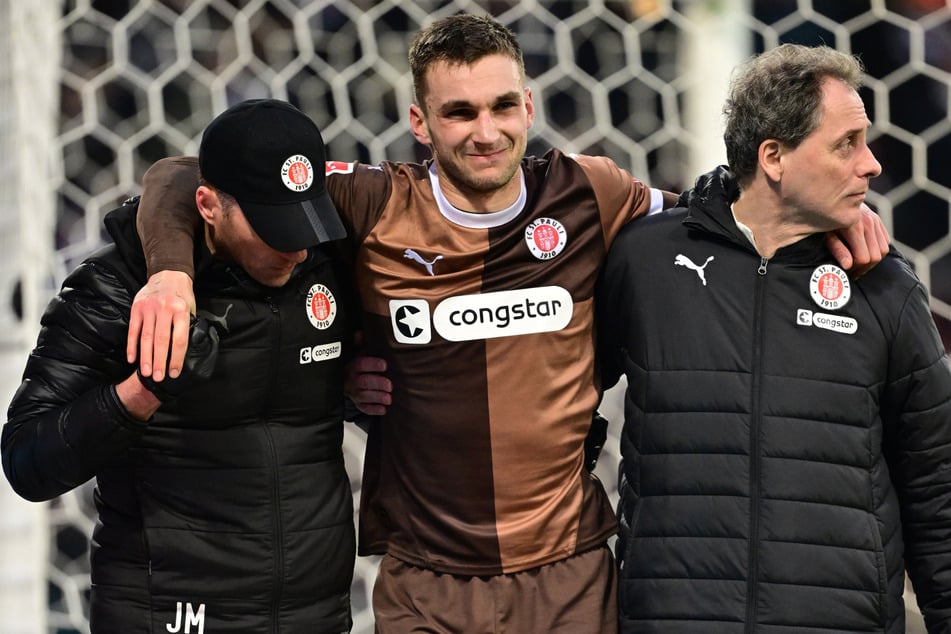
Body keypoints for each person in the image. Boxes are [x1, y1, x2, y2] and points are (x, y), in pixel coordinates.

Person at [125, 16, 890, 633]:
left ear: (527, 106)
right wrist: (169, 273)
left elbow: (718, 214)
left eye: (500, 107)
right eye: (458, 112)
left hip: (567, 574)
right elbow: (179, 175)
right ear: (420, 122)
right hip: (426, 583)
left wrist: (827, 218)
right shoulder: (370, 202)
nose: (483, 131)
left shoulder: (589, 191)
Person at [597, 43, 951, 633]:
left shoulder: (886, 287)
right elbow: (558, 397)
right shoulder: (648, 261)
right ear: (773, 157)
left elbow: (938, 490)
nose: (872, 164)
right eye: (847, 144)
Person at [3, 99, 359, 633]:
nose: (296, 250)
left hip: (314, 615)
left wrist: (360, 384)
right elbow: (27, 462)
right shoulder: (116, 290)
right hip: (167, 614)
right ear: (209, 206)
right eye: (273, 228)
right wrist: (141, 393)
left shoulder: (325, 263)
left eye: (305, 223)